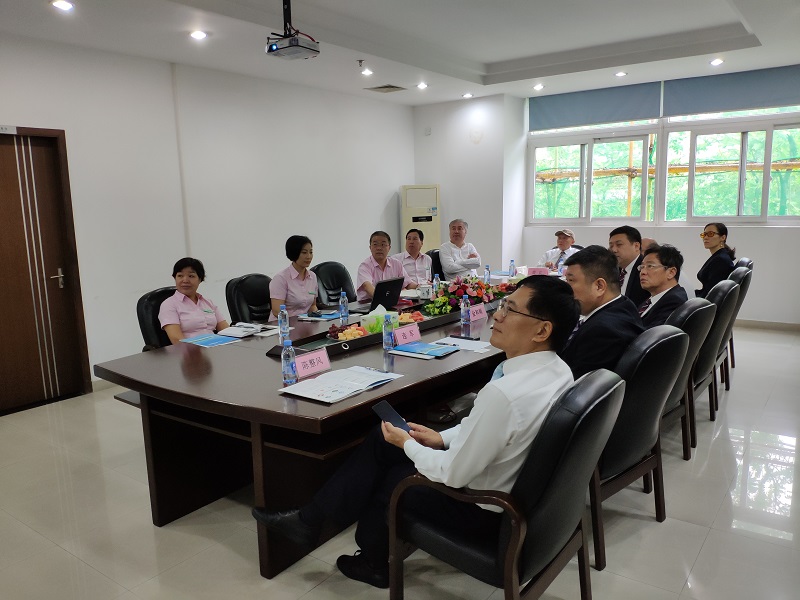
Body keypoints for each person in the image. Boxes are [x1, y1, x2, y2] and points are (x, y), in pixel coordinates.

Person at [252, 276, 579, 588]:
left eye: (510, 309)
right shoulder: (558, 370)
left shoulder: (504, 394)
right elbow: (490, 428)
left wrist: (408, 444)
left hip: (484, 511)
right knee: (383, 437)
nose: (499, 315)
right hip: (512, 489)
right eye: (503, 305)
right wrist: (440, 437)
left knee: (394, 478)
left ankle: (372, 562)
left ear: (542, 330)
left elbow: (452, 473)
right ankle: (309, 521)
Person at [559, 245, 644, 379]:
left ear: (599, 286)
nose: (566, 288)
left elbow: (572, 384)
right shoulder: (624, 304)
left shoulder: (601, 332)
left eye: (571, 280)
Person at [158, 257, 229, 344]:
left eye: (191, 276)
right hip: (190, 350)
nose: (185, 280)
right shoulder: (169, 305)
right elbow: (177, 340)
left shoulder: (208, 303)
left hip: (215, 347)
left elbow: (226, 331)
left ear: (200, 279)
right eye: (180, 276)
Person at [356, 231, 416, 302]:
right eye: (375, 244)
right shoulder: (365, 266)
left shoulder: (396, 264)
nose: (379, 248)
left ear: (389, 248)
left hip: (391, 302)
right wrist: (384, 300)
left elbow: (408, 284)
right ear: (370, 248)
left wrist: (421, 287)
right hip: (368, 304)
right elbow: (367, 287)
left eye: (383, 245)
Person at [638, 244, 688, 328]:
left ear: (671, 272)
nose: (642, 272)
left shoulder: (673, 301)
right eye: (642, 267)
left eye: (650, 266)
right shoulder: (652, 300)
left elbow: (652, 334)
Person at [269, 235, 318, 321]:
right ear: (294, 253)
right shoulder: (281, 278)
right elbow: (277, 311)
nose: (309, 256)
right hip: (283, 325)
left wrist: (318, 319)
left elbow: (312, 306)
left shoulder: (312, 277)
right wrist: (297, 324)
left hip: (305, 324)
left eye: (311, 252)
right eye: (304, 252)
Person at [609, 225, 649, 307]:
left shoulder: (646, 270)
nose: (614, 250)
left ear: (636, 246)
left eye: (619, 244)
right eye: (611, 246)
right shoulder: (612, 270)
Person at [696, 222, 736, 298]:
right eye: (704, 234)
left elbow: (711, 293)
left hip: (705, 302)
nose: (705, 238)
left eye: (710, 234)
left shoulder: (721, 260)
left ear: (723, 237)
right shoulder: (719, 256)